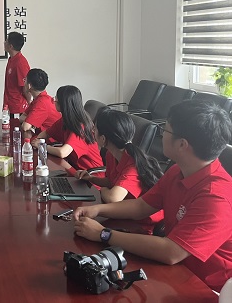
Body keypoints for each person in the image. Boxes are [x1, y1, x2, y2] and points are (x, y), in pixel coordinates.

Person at [73, 100, 232, 292]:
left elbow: (171, 251)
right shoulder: (177, 171)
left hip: (211, 289)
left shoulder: (216, 197)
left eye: (166, 130)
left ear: (182, 144)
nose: (161, 135)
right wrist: (97, 209)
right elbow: (141, 206)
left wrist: (103, 234)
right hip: (179, 270)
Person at [75, 107, 164, 228]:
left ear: (103, 139)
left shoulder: (133, 165)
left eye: (95, 129)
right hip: (124, 212)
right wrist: (91, 178)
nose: (92, 131)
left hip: (142, 224)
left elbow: (113, 198)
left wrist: (103, 190)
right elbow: (112, 181)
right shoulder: (112, 154)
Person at [31, 85, 102, 176]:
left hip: (91, 178)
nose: (54, 100)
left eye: (57, 98)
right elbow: (45, 134)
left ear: (64, 103)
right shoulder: (65, 120)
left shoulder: (79, 127)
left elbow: (62, 152)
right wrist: (37, 141)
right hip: (75, 171)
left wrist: (41, 146)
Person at [19, 68, 60, 134]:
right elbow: (21, 117)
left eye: (25, 80)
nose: (24, 82)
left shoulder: (42, 102)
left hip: (50, 139)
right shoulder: (39, 98)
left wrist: (32, 122)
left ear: (29, 86)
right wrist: (34, 122)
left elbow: (25, 127)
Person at [3, 32, 31, 120]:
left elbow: (26, 87)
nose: (4, 43)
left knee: (17, 127)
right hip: (9, 103)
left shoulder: (20, 63)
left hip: (18, 106)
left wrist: (30, 104)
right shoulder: (12, 59)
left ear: (11, 46)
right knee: (8, 126)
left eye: (6, 41)